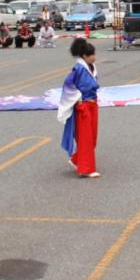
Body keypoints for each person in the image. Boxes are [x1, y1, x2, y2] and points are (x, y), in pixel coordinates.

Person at [58, 38, 101, 178]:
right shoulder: (78, 69)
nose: (94, 57)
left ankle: (76, 159)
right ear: (85, 56)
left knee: (92, 136)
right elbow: (68, 86)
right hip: (83, 106)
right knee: (85, 138)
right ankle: (86, 168)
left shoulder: (91, 68)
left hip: (93, 104)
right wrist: (78, 100)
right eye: (92, 55)